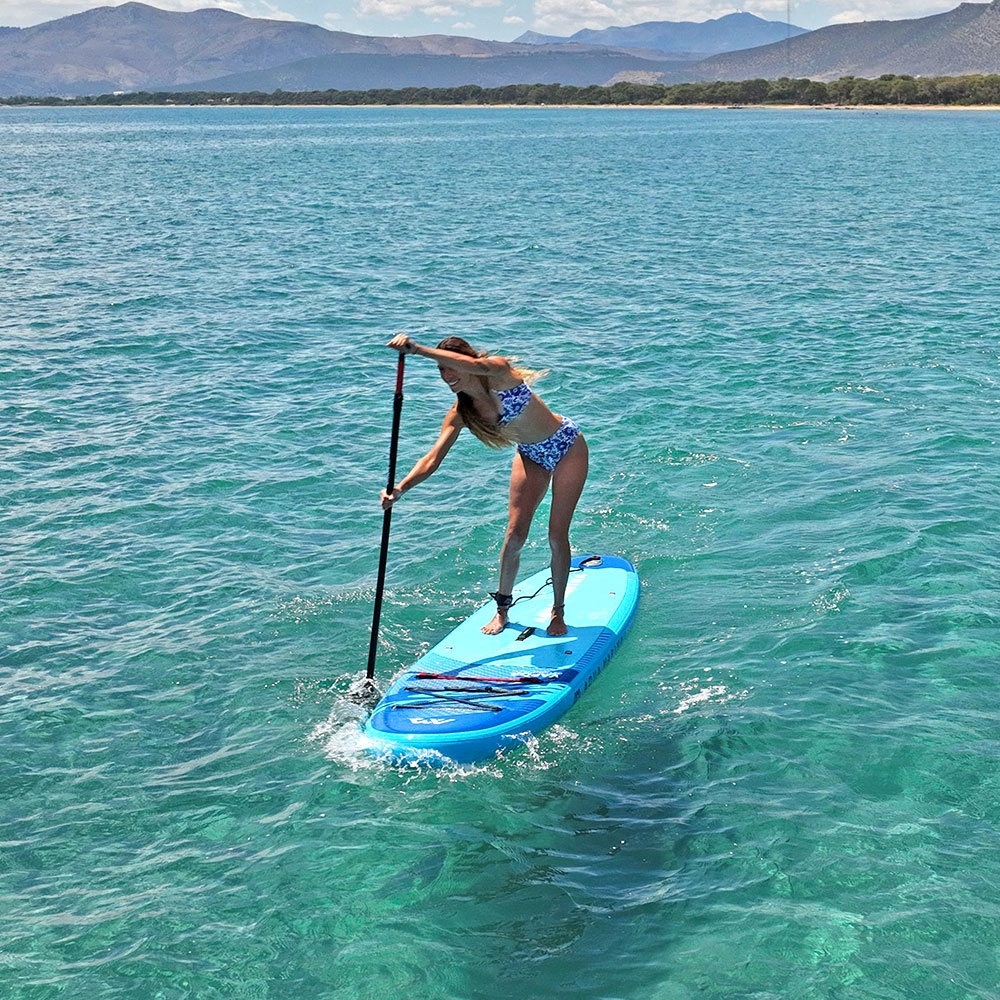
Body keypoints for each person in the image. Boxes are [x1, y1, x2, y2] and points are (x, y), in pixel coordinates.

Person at [381, 334, 588, 638]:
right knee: (514, 535)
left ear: (467, 363)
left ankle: (558, 610)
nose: (447, 376)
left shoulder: (500, 372)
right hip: (531, 455)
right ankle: (502, 610)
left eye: (450, 367)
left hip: (567, 446)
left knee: (556, 535)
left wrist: (417, 350)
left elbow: (474, 364)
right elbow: (433, 458)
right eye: (441, 371)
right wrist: (400, 489)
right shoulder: (461, 412)